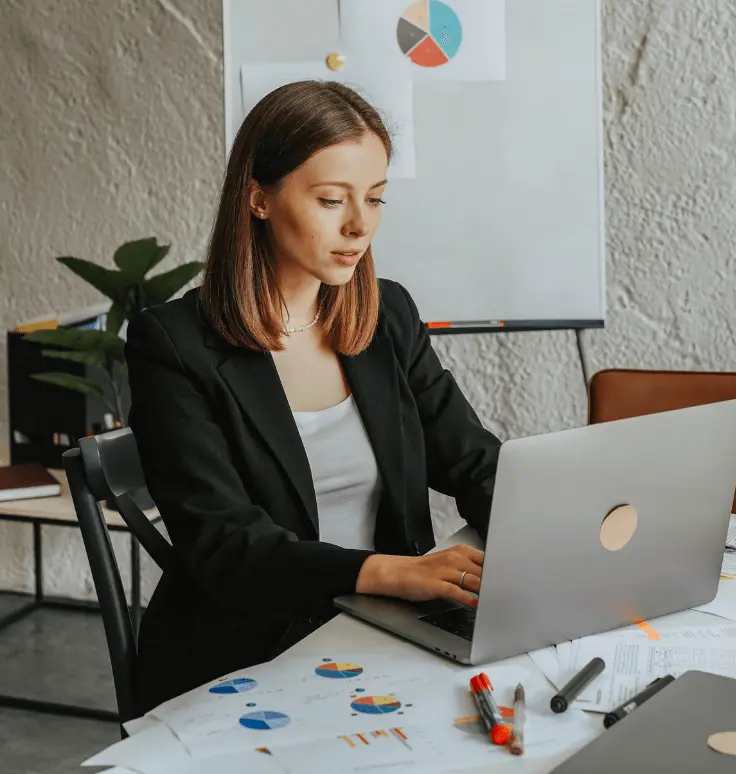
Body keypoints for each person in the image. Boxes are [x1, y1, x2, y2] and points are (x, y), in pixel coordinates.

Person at [125, 79, 502, 713]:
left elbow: (470, 460)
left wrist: (559, 532)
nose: (360, 226)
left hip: (382, 634)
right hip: (243, 654)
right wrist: (387, 572)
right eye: (331, 199)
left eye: (375, 199)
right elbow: (224, 543)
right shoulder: (173, 342)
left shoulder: (387, 316)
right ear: (259, 198)